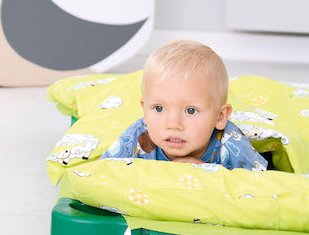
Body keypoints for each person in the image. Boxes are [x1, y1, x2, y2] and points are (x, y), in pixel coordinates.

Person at [101, 39, 266, 171]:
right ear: (145, 111)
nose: (173, 124)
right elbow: (101, 173)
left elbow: (260, 186)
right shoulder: (139, 138)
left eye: (191, 110)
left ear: (220, 116)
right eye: (159, 108)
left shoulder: (230, 141)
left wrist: (208, 173)